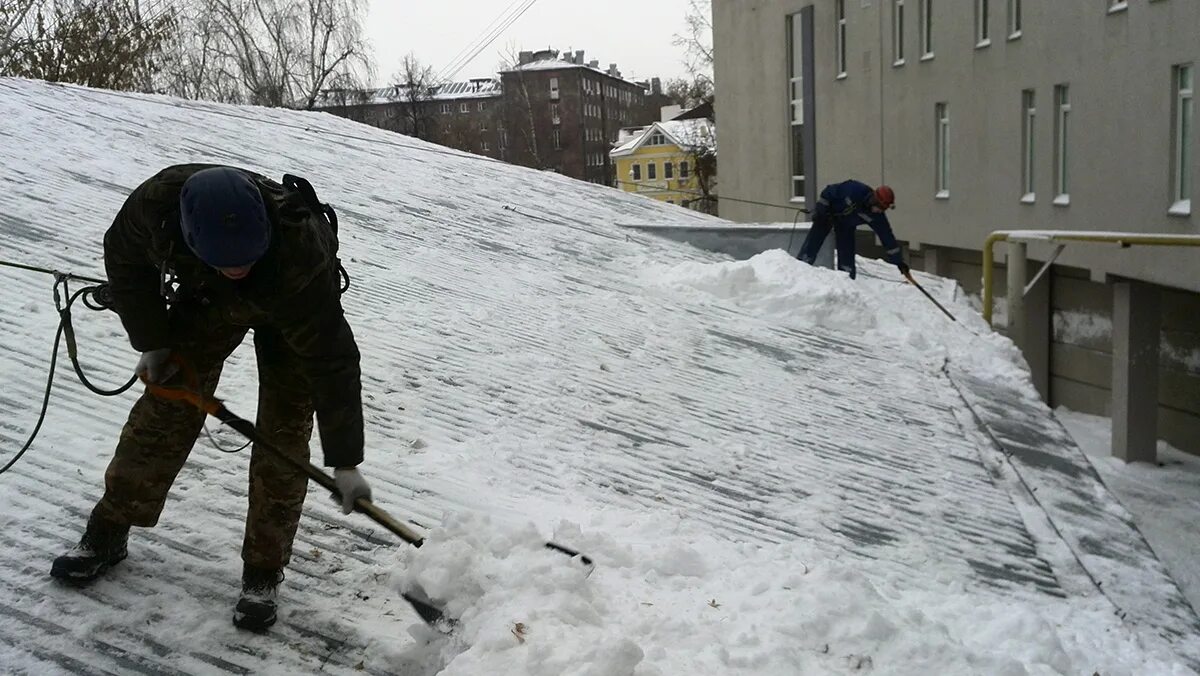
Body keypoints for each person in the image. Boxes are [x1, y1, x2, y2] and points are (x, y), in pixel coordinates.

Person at [49, 164, 372, 633]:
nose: (238, 268)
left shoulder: (301, 255)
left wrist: (346, 462)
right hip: (206, 296)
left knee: (283, 434)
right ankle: (107, 532)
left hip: (287, 306)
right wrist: (152, 340)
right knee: (165, 405)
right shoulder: (156, 207)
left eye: (246, 259)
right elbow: (126, 265)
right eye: (228, 261)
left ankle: (263, 572)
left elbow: (333, 364)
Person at [796, 180, 909, 279]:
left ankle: (847, 281)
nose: (881, 211)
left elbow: (887, 237)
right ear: (874, 200)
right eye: (880, 208)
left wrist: (898, 262)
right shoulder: (854, 189)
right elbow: (828, 192)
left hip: (846, 226)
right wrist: (821, 210)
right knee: (812, 244)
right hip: (826, 215)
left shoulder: (877, 217)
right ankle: (800, 269)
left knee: (847, 258)